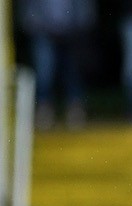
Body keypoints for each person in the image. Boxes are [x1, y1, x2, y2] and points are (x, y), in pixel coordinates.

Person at [20, 0, 97, 129]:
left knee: (73, 72)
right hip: (42, 29)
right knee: (44, 73)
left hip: (73, 30)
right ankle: (44, 110)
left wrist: (83, 23)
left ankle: (75, 110)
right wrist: (33, 23)